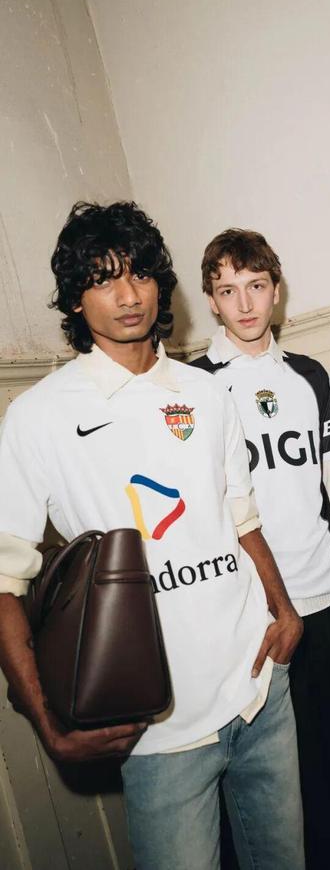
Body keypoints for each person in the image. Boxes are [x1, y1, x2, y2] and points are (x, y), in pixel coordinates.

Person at [0, 202, 305, 870]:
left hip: (258, 690)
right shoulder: (38, 416)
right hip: (155, 730)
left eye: (139, 273)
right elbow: (4, 582)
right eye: (103, 278)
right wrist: (47, 721)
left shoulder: (205, 392)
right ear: (74, 298)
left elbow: (241, 515)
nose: (128, 294)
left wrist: (284, 612)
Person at [190, 228, 330, 870]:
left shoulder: (308, 375)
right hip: (256, 616)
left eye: (256, 286)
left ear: (276, 291)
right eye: (228, 290)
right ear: (211, 300)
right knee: (291, 784)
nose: (245, 303)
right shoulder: (195, 387)